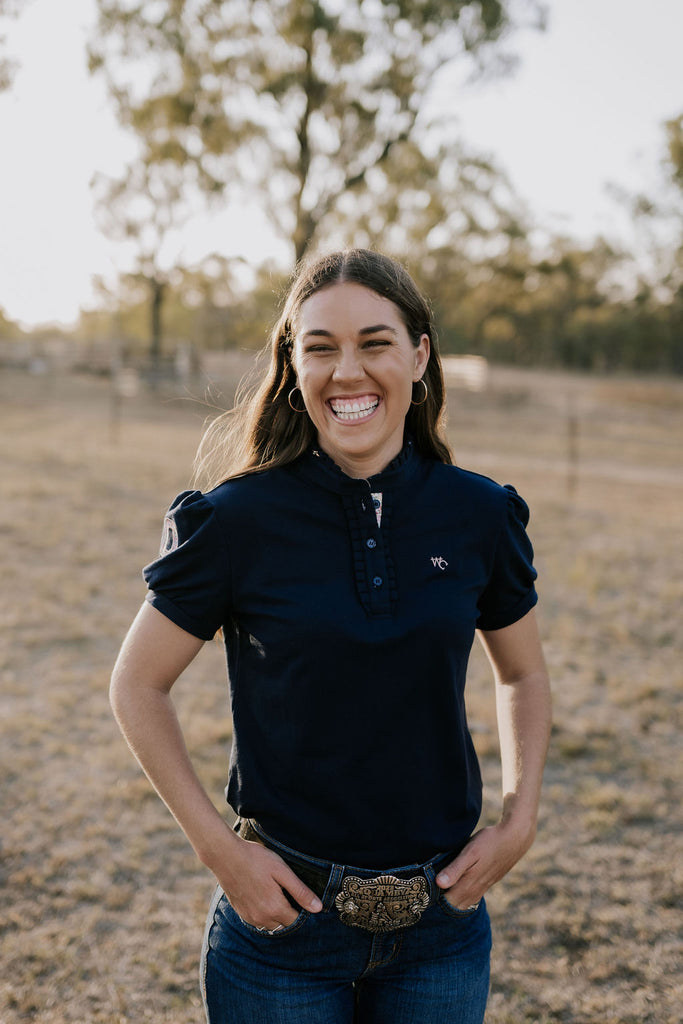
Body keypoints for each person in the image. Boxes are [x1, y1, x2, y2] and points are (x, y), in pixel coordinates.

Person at [110, 248, 552, 1024]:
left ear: (418, 356)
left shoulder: (478, 515)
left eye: (374, 342)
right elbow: (136, 685)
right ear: (293, 366)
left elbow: (519, 676)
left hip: (441, 930)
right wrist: (220, 852)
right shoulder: (236, 521)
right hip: (280, 932)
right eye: (320, 348)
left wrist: (519, 819)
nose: (348, 371)